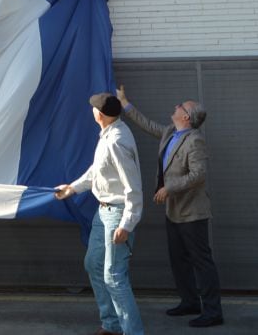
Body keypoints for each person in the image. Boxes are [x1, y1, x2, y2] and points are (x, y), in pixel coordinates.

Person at [117, 86, 224, 328]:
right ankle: (189, 302)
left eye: (180, 106)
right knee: (178, 260)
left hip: (192, 213)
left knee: (201, 262)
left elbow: (199, 174)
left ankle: (213, 311)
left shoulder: (194, 140)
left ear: (186, 116)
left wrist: (169, 188)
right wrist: (125, 103)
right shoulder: (170, 132)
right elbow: (147, 124)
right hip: (174, 212)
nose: (176, 106)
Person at [55, 92, 144, 335]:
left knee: (114, 276)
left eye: (93, 108)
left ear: (100, 115)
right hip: (103, 212)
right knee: (93, 264)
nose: (91, 111)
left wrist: (127, 224)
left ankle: (132, 332)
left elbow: (133, 187)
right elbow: (97, 171)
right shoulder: (107, 135)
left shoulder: (117, 141)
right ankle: (112, 325)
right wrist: (72, 188)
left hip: (117, 214)